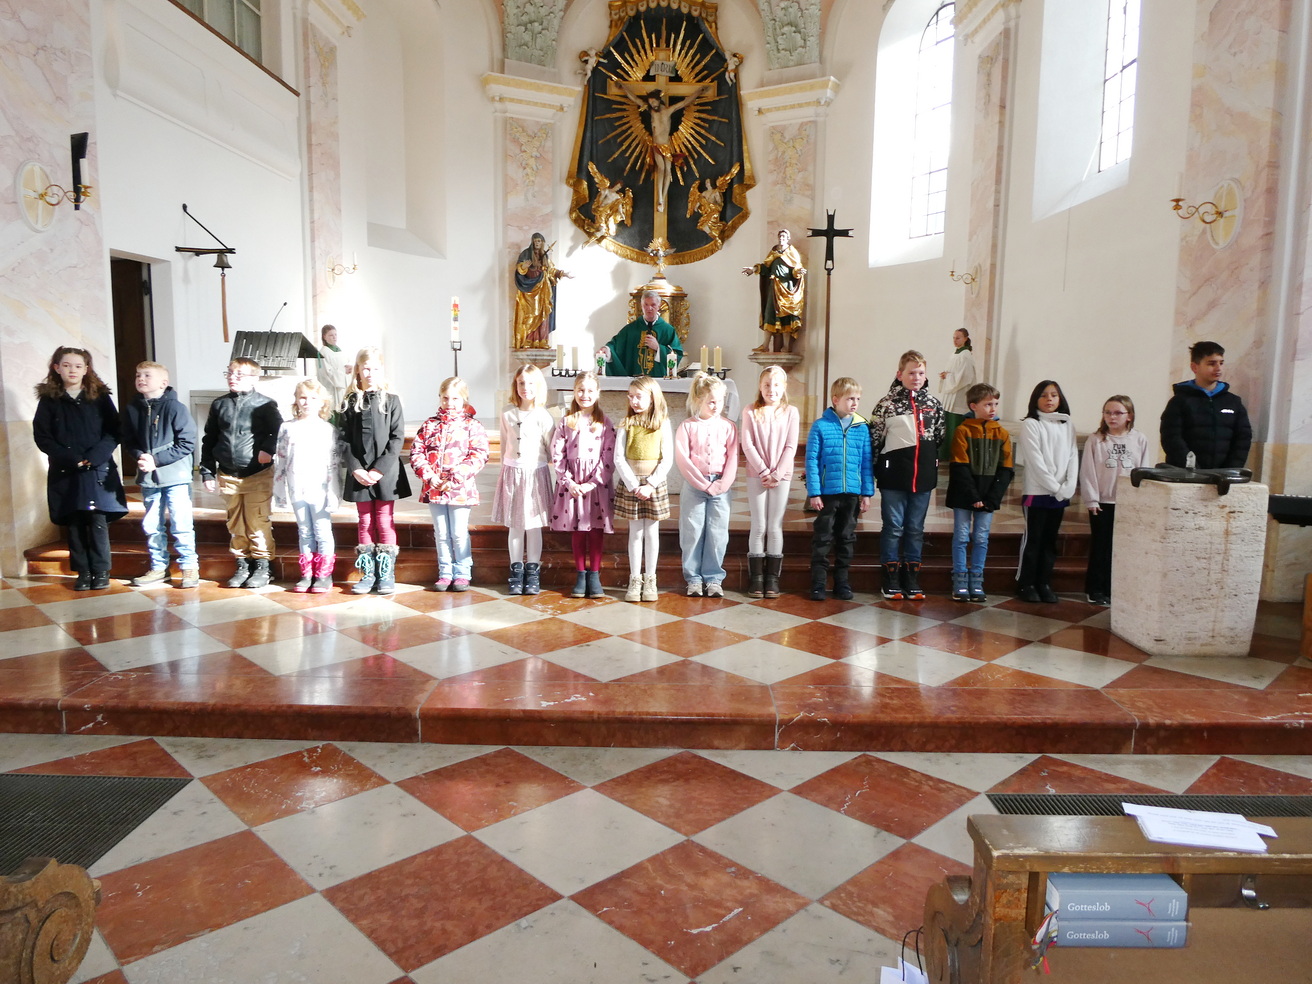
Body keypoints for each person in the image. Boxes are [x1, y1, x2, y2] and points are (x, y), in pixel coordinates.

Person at [32, 346, 128, 591]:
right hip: (66, 470)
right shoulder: (49, 400)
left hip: (97, 469)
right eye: (66, 365)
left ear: (86, 369)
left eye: (77, 366)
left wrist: (94, 457)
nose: (72, 370)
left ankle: (101, 571)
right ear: (57, 368)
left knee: (97, 520)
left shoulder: (99, 397)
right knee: (74, 521)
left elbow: (114, 431)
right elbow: (43, 437)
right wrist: (71, 459)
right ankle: (83, 572)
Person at [200, 357, 283, 589]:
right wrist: (207, 471)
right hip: (228, 474)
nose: (232, 378)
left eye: (239, 374)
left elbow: (279, 431)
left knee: (257, 520)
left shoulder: (265, 404)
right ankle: (243, 563)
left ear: (255, 378)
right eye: (229, 373)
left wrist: (268, 449)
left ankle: (263, 565)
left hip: (257, 473)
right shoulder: (219, 404)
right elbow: (209, 439)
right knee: (235, 522)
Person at [870, 350, 945, 601]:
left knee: (915, 528)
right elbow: (875, 440)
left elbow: (940, 437)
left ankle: (912, 577)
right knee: (893, 527)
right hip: (894, 477)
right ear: (900, 374)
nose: (916, 377)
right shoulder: (886, 404)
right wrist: (874, 473)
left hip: (922, 476)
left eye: (921, 373)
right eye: (911, 373)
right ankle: (890, 577)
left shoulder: (934, 405)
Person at [339, 347, 411, 594]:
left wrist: (379, 469)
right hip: (359, 472)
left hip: (385, 472)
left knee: (383, 520)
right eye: (366, 368)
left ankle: (386, 572)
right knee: (364, 521)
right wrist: (356, 468)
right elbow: (343, 439)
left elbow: (397, 438)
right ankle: (368, 572)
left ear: (382, 370)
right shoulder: (350, 402)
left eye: (375, 368)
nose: (370, 373)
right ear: (358, 370)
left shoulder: (391, 401)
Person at [122, 361, 199, 589]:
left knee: (180, 522)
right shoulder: (133, 408)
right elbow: (129, 440)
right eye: (138, 375)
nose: (141, 379)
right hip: (149, 478)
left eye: (147, 375)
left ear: (163, 383)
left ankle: (189, 566)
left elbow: (187, 443)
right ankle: (158, 566)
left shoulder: (176, 408)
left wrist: (155, 460)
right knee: (152, 524)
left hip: (175, 476)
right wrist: (140, 457)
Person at [410, 377, 489, 592]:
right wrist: (430, 476)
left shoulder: (472, 425)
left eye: (455, 399)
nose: (449, 403)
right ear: (440, 398)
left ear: (464, 399)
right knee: (441, 532)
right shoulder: (430, 425)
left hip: (460, 489)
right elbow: (417, 452)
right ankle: (445, 572)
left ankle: (462, 572)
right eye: (445, 398)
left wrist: (455, 477)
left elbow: (479, 454)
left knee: (459, 532)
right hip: (434, 487)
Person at [804, 377, 873, 601]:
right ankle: (818, 584)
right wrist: (814, 492)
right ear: (835, 400)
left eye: (857, 399)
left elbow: (866, 462)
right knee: (823, 537)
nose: (855, 403)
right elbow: (812, 460)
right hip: (828, 492)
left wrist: (867, 493)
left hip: (852, 492)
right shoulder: (821, 426)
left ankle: (842, 582)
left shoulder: (861, 427)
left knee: (846, 537)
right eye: (850, 398)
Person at [1081, 394, 1152, 606]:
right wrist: (1092, 500)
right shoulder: (1096, 440)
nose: (1112, 417)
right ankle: (1095, 589)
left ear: (1129, 416)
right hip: (1102, 502)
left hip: (1127, 502)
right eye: (1108, 413)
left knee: (1121, 547)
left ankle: (1114, 588)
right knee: (1100, 547)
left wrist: (1140, 500)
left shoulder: (1139, 439)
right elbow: (1088, 471)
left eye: (1118, 413)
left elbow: (1143, 471)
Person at [945, 383, 1013, 603]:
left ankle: (976, 578)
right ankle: (960, 578)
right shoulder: (963, 431)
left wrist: (992, 498)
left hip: (988, 496)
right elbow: (959, 467)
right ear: (973, 406)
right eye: (987, 404)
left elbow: (1006, 469)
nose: (993, 408)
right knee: (961, 536)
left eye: (995, 404)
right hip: (965, 494)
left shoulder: (1001, 433)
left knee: (982, 537)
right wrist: (973, 496)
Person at [550, 371, 615, 599]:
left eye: (589, 391)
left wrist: (592, 483)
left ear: (598, 393)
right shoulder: (565, 422)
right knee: (577, 530)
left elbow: (608, 456)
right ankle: (580, 575)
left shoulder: (605, 422)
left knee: (595, 530)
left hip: (596, 487)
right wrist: (568, 482)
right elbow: (557, 455)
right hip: (573, 485)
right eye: (580, 390)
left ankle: (594, 575)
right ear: (574, 391)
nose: (585, 395)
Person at [272, 378, 341, 593]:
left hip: (320, 487)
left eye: (313, 398)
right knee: (304, 530)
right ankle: (307, 573)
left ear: (322, 402)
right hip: (296, 485)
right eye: (302, 397)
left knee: (322, 529)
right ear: (296, 400)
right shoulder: (287, 427)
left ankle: (324, 574)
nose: (307, 402)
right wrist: (279, 491)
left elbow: (333, 464)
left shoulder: (327, 429)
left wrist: (333, 492)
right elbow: (281, 459)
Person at [492, 365, 555, 596]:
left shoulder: (544, 416)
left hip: (535, 474)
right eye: (521, 383)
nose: (525, 388)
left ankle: (533, 571)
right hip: (513, 473)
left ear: (538, 386)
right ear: (515, 385)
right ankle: (516, 570)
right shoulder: (507, 413)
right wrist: (506, 469)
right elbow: (504, 444)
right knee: (515, 525)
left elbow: (551, 451)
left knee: (534, 525)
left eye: (530, 383)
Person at [674, 373, 738, 597]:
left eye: (720, 401)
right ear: (698, 400)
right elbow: (683, 459)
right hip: (695, 486)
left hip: (720, 485)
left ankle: (713, 578)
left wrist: (723, 484)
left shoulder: (729, 427)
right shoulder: (687, 426)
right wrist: (702, 484)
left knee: (717, 533)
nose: (716, 406)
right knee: (692, 531)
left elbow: (733, 458)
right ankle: (693, 578)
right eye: (711, 401)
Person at [1017, 379, 1078, 604]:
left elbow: (1073, 456)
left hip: (1060, 493)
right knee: (1034, 539)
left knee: (1050, 540)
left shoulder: (1067, 424)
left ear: (1060, 399)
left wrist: (1069, 486)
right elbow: (1035, 461)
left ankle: (1044, 582)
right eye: (1043, 395)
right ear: (1036, 399)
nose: (1049, 399)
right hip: (1038, 491)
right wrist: (1056, 487)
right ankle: (1026, 583)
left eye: (1053, 395)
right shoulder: (1031, 424)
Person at [613, 376, 673, 602]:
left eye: (639, 396)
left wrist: (650, 484)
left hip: (653, 485)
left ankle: (650, 579)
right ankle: (635, 578)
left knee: (652, 533)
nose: (634, 401)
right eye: (630, 397)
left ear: (652, 397)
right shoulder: (626, 423)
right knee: (636, 533)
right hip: (633, 485)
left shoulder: (662, 423)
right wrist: (633, 484)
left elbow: (667, 458)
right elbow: (619, 457)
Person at [740, 366, 798, 598]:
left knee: (774, 526)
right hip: (757, 473)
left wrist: (777, 473)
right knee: (758, 525)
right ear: (760, 386)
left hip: (781, 475)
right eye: (766, 384)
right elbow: (747, 444)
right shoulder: (750, 410)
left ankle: (772, 578)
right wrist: (764, 470)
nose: (771, 389)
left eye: (776, 385)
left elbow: (791, 446)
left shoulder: (791, 412)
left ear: (784, 387)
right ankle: (756, 578)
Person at [1160, 340, 1253, 469]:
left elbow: (1243, 438)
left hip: (1223, 474)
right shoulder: (1179, 401)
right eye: (1211, 363)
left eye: (1221, 363)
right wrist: (1191, 468)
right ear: (1195, 367)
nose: (1218, 368)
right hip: (1185, 473)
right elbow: (1171, 438)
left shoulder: (1233, 402)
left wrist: (1230, 469)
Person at [623, 85, 710, 213]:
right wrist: (624, 87)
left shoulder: (668, 111)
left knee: (668, 171)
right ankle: (660, 198)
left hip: (667, 145)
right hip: (656, 145)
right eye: (650, 103)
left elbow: (685, 102)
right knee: (661, 168)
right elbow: (635, 99)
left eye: (654, 102)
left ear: (659, 100)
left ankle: (662, 198)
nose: (652, 105)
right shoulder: (652, 112)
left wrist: (699, 91)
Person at [742, 229, 805, 353]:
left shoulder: (792, 252)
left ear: (788, 238)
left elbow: (796, 269)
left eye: (784, 236)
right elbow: (766, 267)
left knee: (786, 316)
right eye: (780, 236)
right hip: (773, 288)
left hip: (786, 288)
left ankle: (786, 346)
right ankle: (765, 345)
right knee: (769, 314)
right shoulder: (774, 251)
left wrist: (798, 272)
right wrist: (753, 269)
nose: (781, 238)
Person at [596, 290, 683, 377]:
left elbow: (677, 354)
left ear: (659, 306)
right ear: (641, 306)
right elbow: (615, 345)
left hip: (659, 379)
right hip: (634, 379)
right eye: (646, 305)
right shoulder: (630, 329)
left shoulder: (668, 330)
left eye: (653, 305)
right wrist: (607, 350)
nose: (649, 308)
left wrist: (658, 348)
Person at [512, 234, 571, 349]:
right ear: (532, 242)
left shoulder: (545, 256)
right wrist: (524, 266)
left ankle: (542, 340)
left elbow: (550, 270)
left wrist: (562, 273)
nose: (537, 243)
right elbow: (520, 269)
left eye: (539, 241)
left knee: (544, 313)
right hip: (530, 290)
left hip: (544, 289)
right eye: (535, 241)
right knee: (531, 315)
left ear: (542, 242)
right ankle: (528, 339)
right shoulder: (526, 254)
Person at [938, 328, 978, 457]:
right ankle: (946, 453)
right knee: (947, 425)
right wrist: (946, 375)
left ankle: (955, 455)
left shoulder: (965, 355)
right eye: (954, 337)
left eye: (958, 338)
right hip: (951, 396)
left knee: (955, 425)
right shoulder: (955, 353)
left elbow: (965, 377)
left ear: (965, 339)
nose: (955, 340)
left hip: (959, 396)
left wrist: (948, 376)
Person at [316, 324, 350, 414]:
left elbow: (346, 364)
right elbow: (326, 373)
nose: (334, 337)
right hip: (332, 390)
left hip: (344, 389)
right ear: (324, 337)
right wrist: (343, 371)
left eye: (335, 335)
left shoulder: (340, 351)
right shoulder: (322, 353)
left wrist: (350, 368)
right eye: (331, 335)